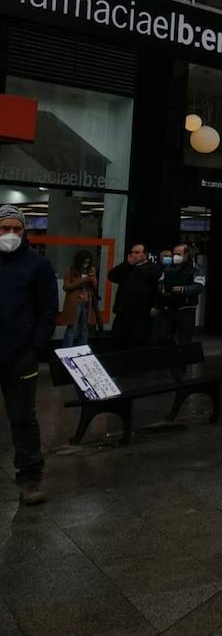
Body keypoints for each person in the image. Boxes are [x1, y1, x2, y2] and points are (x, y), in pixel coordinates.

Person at [0, 205, 58, 506]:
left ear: (25, 231)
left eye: (16, 229)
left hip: (20, 356)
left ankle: (29, 479)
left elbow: (48, 311)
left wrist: (35, 346)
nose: (10, 234)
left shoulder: (38, 266)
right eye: (4, 228)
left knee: (23, 418)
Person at [108, 243, 161, 350]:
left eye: (137, 252)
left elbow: (158, 289)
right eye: (132, 252)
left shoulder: (154, 269)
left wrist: (156, 305)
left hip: (142, 312)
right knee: (118, 341)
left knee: (137, 342)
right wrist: (127, 264)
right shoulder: (127, 267)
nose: (133, 255)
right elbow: (112, 276)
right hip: (123, 311)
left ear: (145, 254)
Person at [156, 243, 204, 351]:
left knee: (184, 341)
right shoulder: (169, 267)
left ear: (187, 254)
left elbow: (199, 286)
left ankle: (180, 366)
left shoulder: (195, 268)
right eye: (174, 254)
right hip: (169, 307)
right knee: (164, 338)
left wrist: (183, 290)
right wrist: (163, 289)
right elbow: (160, 281)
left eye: (178, 254)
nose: (175, 256)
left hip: (185, 309)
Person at [60, 250, 100, 348]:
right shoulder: (70, 270)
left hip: (87, 302)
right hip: (75, 302)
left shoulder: (91, 270)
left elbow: (95, 287)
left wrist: (93, 278)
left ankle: (82, 350)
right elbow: (66, 287)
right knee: (72, 328)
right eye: (84, 262)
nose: (85, 265)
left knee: (85, 328)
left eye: (88, 262)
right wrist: (80, 281)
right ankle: (67, 350)